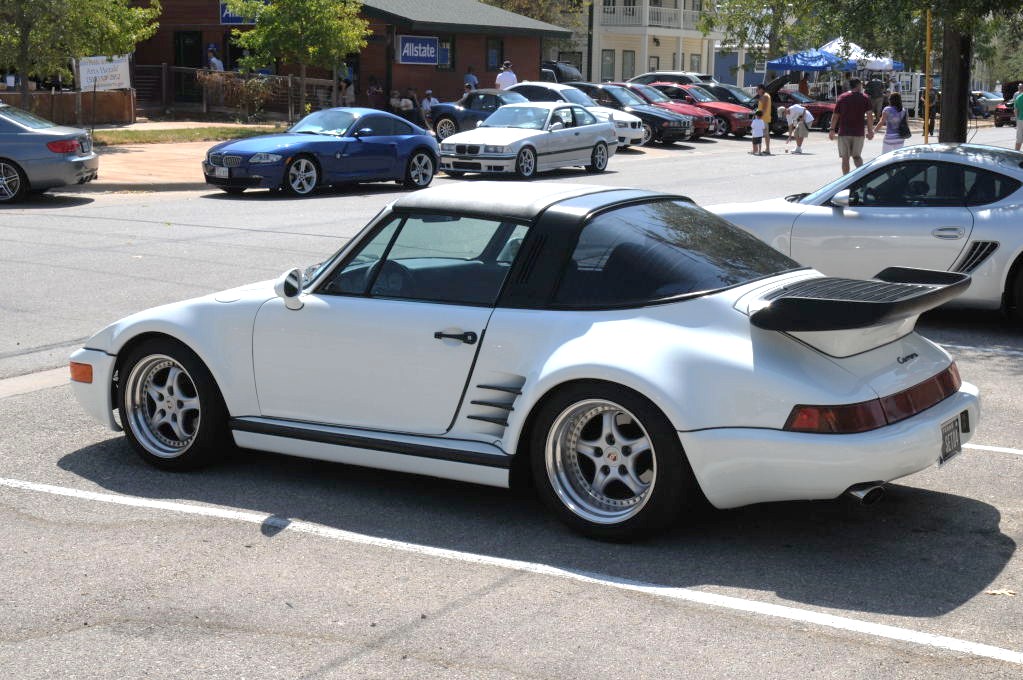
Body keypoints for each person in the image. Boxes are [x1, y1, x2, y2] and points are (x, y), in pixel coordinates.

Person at [829, 77, 874, 174]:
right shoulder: (865, 98)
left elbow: (835, 115)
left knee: (845, 158)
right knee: (857, 157)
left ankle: (846, 179)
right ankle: (862, 177)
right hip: (859, 132)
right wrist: (870, 131)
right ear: (858, 85)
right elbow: (870, 116)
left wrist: (832, 130)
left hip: (844, 132)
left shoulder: (842, 97)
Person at [755, 83, 772, 155]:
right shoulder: (765, 96)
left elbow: (764, 109)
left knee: (758, 134)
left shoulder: (765, 96)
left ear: (761, 89)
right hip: (764, 118)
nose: (756, 91)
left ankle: (756, 150)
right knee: (766, 134)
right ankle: (767, 149)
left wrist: (759, 118)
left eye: (757, 89)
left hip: (762, 118)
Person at [1015, 83, 1023, 151]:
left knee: (1019, 138)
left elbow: (1016, 110)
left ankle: (1016, 154)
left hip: (1020, 119)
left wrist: (1017, 121)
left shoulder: (1018, 98)